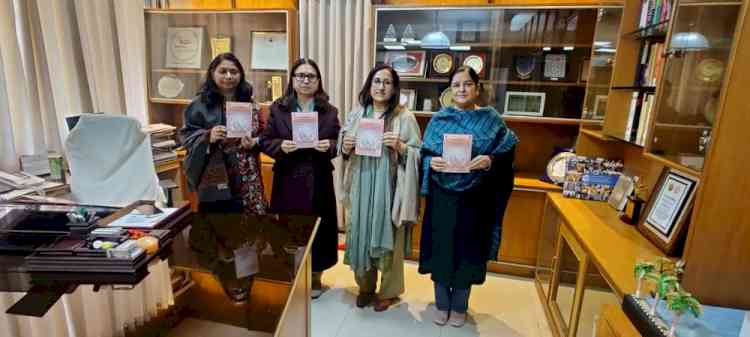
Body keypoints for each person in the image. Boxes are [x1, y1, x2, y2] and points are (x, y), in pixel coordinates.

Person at [418, 66, 518, 327]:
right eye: (456, 85)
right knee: (442, 247)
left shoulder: (491, 119)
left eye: (467, 84)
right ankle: (441, 303)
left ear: (477, 88)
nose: (461, 89)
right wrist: (432, 162)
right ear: (450, 90)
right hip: (443, 197)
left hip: (477, 197)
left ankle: (460, 306)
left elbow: (507, 151)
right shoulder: (439, 119)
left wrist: (490, 160)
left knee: (469, 249)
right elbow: (424, 153)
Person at [338, 64, 422, 311]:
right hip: (360, 186)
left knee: (388, 238)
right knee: (360, 233)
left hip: (390, 188)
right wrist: (346, 145)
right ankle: (365, 287)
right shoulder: (357, 114)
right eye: (377, 81)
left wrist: (401, 146)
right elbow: (342, 148)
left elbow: (419, 152)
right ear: (369, 85)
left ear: (394, 88)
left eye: (387, 82)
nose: (381, 86)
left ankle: (388, 291)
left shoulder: (404, 117)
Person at [259, 58, 340, 299]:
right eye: (300, 76)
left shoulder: (329, 110)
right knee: (289, 230)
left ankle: (315, 276)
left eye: (311, 76)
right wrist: (280, 146)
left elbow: (339, 142)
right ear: (292, 80)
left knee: (320, 229)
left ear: (318, 81)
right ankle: (292, 274)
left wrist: (331, 146)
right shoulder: (278, 108)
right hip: (288, 179)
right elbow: (265, 140)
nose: (306, 80)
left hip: (319, 179)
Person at [181, 52, 267, 214]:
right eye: (223, 71)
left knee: (253, 229)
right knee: (221, 228)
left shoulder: (248, 100)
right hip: (217, 177)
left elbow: (263, 133)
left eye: (234, 72)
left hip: (249, 176)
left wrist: (255, 141)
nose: (228, 76)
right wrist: (208, 137)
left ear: (240, 75)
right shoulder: (199, 104)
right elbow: (186, 136)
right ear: (212, 73)